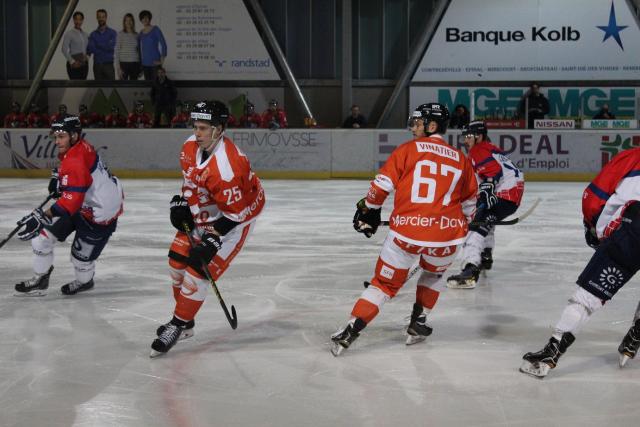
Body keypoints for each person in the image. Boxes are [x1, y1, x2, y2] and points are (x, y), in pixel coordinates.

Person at [330, 103, 478, 356]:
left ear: (432, 126)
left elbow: (380, 188)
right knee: (435, 274)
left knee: (383, 285)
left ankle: (351, 330)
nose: (414, 127)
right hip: (446, 238)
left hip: (406, 234)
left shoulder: (408, 150)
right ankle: (418, 324)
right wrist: (466, 220)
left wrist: (369, 211)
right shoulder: (461, 159)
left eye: (419, 123)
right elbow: (469, 204)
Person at [150, 100, 266, 357]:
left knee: (196, 273)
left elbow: (236, 214)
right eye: (196, 126)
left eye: (204, 128)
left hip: (236, 219)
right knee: (176, 263)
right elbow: (191, 179)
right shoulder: (190, 146)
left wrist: (213, 241)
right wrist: (182, 201)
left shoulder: (228, 167)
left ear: (219, 129)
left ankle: (179, 324)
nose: (197, 133)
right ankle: (187, 320)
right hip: (209, 211)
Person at [520, 146, 640, 378]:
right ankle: (635, 336)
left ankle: (552, 352)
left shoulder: (634, 155)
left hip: (632, 230)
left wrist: (592, 226)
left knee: (588, 296)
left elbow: (594, 197)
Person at [14, 116, 124, 296]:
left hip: (99, 215)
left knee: (80, 260)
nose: (57, 141)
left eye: (61, 136)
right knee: (41, 240)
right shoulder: (79, 146)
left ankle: (85, 282)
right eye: (55, 137)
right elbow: (76, 183)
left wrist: (43, 215)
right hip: (84, 205)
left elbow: (70, 202)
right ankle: (40, 279)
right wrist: (59, 176)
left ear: (74, 135)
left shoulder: (75, 160)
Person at [446, 121, 525, 288]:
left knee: (475, 226)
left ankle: (470, 270)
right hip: (511, 196)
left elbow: (493, 171)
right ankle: (486, 255)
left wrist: (489, 187)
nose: (465, 141)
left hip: (503, 195)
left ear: (479, 136)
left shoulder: (478, 150)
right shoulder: (492, 148)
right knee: (486, 218)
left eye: (468, 137)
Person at [87, 9, 117, 80]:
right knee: (99, 89)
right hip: (97, 66)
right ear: (97, 18)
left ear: (106, 18)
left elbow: (111, 47)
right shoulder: (93, 34)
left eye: (103, 17)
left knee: (111, 88)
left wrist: (98, 46)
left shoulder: (113, 33)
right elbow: (91, 49)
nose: (101, 19)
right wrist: (105, 46)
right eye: (99, 17)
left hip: (109, 65)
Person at [138, 10, 167, 81]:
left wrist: (162, 61)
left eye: (146, 17)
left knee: (156, 86)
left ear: (149, 18)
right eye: (143, 18)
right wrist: (140, 64)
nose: (145, 19)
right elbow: (139, 49)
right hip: (145, 65)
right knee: (148, 87)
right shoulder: (141, 32)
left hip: (155, 64)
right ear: (141, 20)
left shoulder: (155, 29)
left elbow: (164, 44)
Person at [61, 11, 89, 80]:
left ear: (82, 21)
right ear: (73, 20)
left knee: (83, 86)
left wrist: (87, 56)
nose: (78, 21)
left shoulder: (86, 35)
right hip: (74, 63)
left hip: (84, 64)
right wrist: (72, 61)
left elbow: (88, 48)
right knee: (75, 87)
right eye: (76, 19)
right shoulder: (69, 34)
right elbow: (64, 49)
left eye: (80, 19)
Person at [115, 13, 140, 80]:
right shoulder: (120, 34)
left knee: (134, 87)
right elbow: (117, 51)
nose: (128, 22)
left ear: (133, 22)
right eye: (126, 20)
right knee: (123, 87)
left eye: (130, 20)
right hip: (123, 64)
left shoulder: (137, 35)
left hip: (135, 64)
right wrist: (118, 68)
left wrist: (140, 67)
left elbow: (139, 52)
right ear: (124, 22)